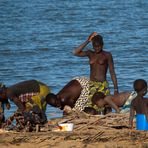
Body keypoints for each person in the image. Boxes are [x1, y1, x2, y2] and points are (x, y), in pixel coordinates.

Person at [73, 32, 119, 111]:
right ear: (92, 45)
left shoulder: (107, 55)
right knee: (92, 107)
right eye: (95, 46)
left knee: (106, 106)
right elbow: (75, 52)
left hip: (103, 85)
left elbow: (112, 72)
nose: (97, 48)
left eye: (99, 46)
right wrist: (88, 40)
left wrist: (115, 89)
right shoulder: (90, 53)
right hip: (92, 85)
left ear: (102, 45)